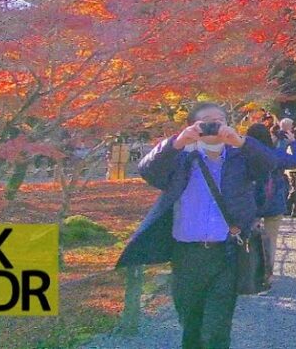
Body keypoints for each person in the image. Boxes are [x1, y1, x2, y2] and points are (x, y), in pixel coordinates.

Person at [115, 102, 276, 349]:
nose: (214, 126)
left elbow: (271, 164)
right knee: (191, 325)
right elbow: (147, 170)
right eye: (207, 122)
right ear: (192, 126)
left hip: (227, 253)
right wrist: (178, 141)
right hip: (187, 254)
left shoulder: (240, 158)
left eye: (219, 121)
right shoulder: (181, 159)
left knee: (217, 329)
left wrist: (241, 141)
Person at [245, 120, 296, 294]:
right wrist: (293, 142)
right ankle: (267, 275)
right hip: (274, 200)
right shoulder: (275, 154)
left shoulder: (244, 155)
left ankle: (249, 272)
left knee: (249, 238)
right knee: (271, 240)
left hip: (250, 202)